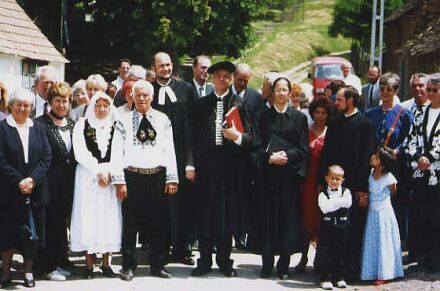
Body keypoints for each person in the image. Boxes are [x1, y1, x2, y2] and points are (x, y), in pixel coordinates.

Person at [191, 61, 253, 278]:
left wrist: (236, 137)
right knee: (205, 214)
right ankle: (204, 260)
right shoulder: (201, 104)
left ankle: (225, 261)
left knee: (226, 217)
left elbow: (250, 139)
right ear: (212, 78)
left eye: (227, 76)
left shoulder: (239, 104)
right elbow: (193, 138)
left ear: (231, 80)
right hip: (206, 169)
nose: (222, 80)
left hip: (229, 169)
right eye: (219, 76)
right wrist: (190, 165)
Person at [114, 79, 179, 280]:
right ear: (132, 96)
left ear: (152, 97)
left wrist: (171, 178)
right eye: (138, 95)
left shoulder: (163, 120)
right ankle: (128, 265)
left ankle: (157, 264)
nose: (141, 98)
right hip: (132, 177)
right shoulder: (122, 120)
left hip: (157, 177)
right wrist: (120, 181)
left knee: (159, 223)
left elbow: (170, 150)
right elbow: (116, 152)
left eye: (145, 95)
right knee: (130, 223)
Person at [248, 76, 308, 280]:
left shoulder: (299, 118)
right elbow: (255, 146)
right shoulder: (262, 117)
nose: (282, 93)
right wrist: (269, 158)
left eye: (285, 90)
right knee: (267, 221)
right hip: (267, 179)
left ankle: (284, 265)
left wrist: (287, 157)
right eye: (278, 90)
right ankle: (266, 264)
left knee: (287, 222)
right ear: (272, 93)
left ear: (290, 93)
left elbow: (303, 148)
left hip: (288, 179)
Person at [318, 85, 375, 283]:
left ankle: (348, 272)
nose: (336, 103)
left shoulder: (365, 124)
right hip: (332, 186)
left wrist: (361, 190)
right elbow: (326, 155)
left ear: (350, 101)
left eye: (339, 100)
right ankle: (326, 271)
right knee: (329, 231)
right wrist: (321, 182)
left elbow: (366, 158)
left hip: (353, 188)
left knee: (351, 231)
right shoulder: (334, 123)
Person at [0, 88, 51, 288]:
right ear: (10, 106)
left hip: (35, 190)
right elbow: (0, 159)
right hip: (8, 191)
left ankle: (28, 273)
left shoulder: (39, 127)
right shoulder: (2, 128)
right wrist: (19, 181)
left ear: (31, 107)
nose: (23, 108)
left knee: (32, 234)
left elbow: (46, 157)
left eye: (27, 105)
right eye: (18, 104)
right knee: (7, 233)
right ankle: (6, 273)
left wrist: (32, 180)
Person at [70, 92, 124, 279]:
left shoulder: (116, 127)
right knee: (89, 218)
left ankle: (107, 263)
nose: (102, 109)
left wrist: (108, 173)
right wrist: (97, 170)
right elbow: (80, 152)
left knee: (107, 218)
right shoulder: (81, 125)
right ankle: (89, 264)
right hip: (87, 177)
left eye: (105, 106)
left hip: (108, 180)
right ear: (92, 106)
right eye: (98, 105)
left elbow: (118, 153)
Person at [151, 52, 197, 266]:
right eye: (161, 66)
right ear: (154, 68)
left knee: (185, 203)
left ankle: (184, 248)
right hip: (157, 156)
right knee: (160, 204)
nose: (166, 69)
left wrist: (191, 160)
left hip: (181, 156)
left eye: (168, 65)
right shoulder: (148, 90)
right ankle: (161, 247)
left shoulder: (186, 89)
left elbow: (194, 127)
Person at [35, 82, 76, 281]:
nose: (61, 105)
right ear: (50, 102)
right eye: (57, 101)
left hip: (67, 183)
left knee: (61, 222)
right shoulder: (40, 124)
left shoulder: (72, 124)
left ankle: (61, 260)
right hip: (48, 182)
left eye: (65, 101)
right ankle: (47, 266)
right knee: (48, 223)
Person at [402, 73, 440, 273]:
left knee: (436, 217)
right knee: (421, 216)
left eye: (435, 90)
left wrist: (430, 158)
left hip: (437, 174)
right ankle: (422, 257)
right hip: (421, 173)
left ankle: (436, 259)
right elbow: (411, 140)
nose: (431, 94)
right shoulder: (421, 114)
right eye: (430, 90)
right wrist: (419, 157)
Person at [296, 97, 333, 273]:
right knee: (306, 220)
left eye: (323, 113)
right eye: (317, 112)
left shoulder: (332, 133)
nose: (320, 116)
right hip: (307, 182)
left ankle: (321, 261)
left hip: (325, 183)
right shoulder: (306, 131)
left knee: (322, 221)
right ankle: (303, 257)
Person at [360, 147, 403, 285]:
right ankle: (371, 271)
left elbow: (393, 192)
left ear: (383, 164)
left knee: (384, 242)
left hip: (384, 214)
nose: (372, 157)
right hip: (372, 213)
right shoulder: (371, 173)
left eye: (376, 157)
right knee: (373, 242)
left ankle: (386, 272)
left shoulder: (389, 178)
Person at [318, 165, 352, 290]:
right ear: (327, 178)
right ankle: (325, 278)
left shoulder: (346, 192)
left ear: (342, 180)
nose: (335, 181)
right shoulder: (322, 194)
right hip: (327, 228)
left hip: (342, 228)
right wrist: (339, 202)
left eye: (338, 179)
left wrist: (333, 203)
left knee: (341, 253)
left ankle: (340, 278)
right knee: (326, 253)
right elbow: (325, 208)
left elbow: (347, 203)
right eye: (332, 178)